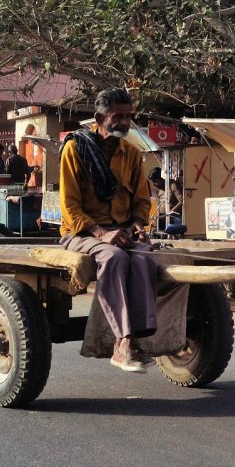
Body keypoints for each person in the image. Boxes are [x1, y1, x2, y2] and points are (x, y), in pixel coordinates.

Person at [58, 87, 158, 373]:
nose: (124, 122)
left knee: (144, 258)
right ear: (99, 118)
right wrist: (102, 233)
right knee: (114, 258)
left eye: (128, 116)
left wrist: (139, 225)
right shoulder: (75, 149)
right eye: (117, 116)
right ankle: (123, 342)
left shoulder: (131, 152)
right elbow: (70, 206)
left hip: (121, 232)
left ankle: (138, 338)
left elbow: (141, 200)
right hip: (82, 233)